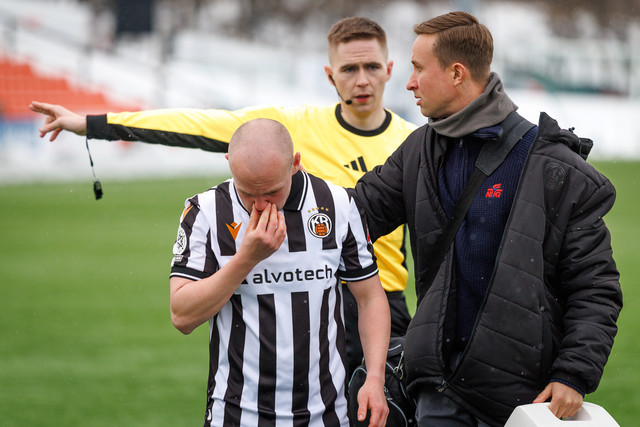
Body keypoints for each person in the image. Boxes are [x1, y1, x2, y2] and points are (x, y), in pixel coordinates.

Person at [29, 16, 417, 376]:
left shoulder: (412, 143)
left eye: (371, 67)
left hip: (381, 301)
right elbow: (193, 124)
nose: (362, 80)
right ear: (330, 75)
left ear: (389, 70)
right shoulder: (291, 127)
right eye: (349, 69)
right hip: (303, 296)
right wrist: (91, 124)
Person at [353, 11, 622, 427]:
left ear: (457, 73)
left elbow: (595, 287)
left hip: (526, 400)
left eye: (419, 68)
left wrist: (573, 373)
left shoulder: (552, 167)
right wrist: (290, 189)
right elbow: (356, 214)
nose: (409, 83)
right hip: (439, 393)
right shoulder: (418, 151)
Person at [170, 118, 390, 426]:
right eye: (247, 192)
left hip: (327, 415)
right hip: (235, 415)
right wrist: (247, 259)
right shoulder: (205, 211)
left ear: (295, 163)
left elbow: (370, 298)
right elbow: (182, 316)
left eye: (273, 192)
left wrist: (375, 377)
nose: (260, 205)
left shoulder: (338, 204)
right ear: (229, 162)